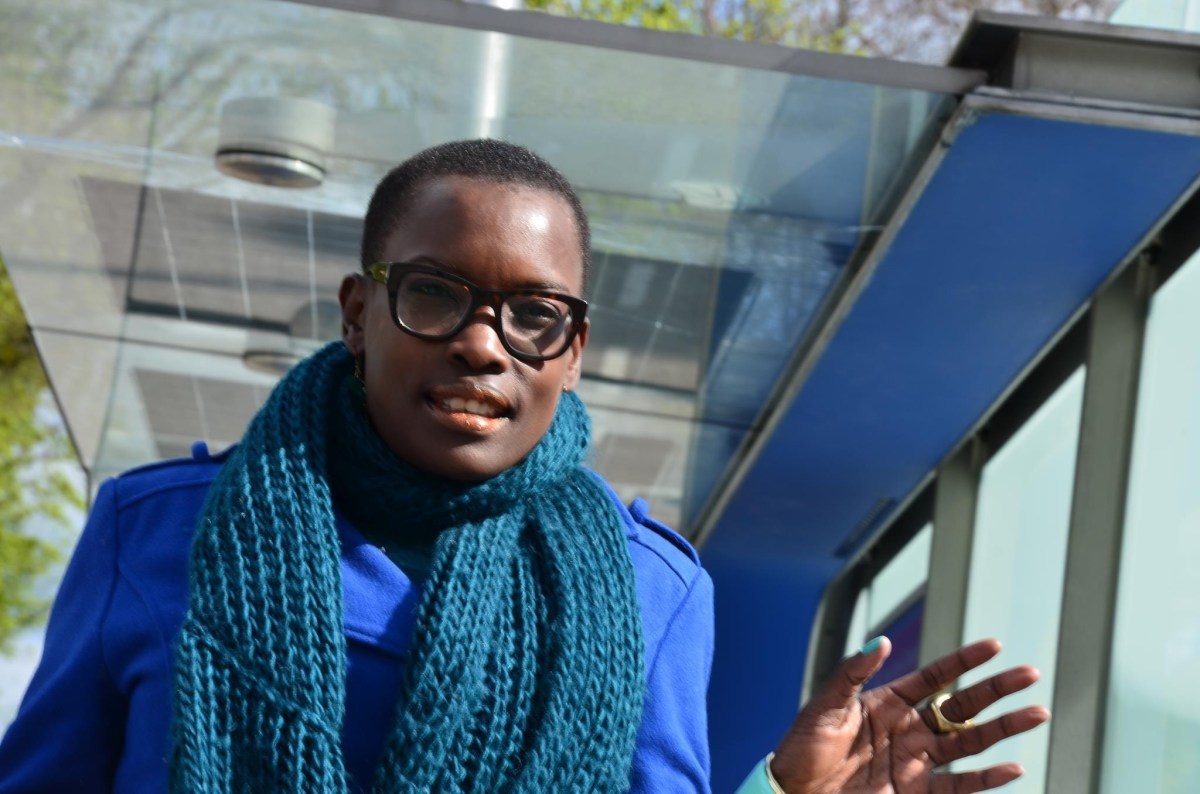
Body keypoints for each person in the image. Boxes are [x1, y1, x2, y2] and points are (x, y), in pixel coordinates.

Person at [0, 139, 1047, 793]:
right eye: (435, 293)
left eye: (533, 315)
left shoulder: (652, 589)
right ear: (359, 314)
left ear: (572, 350)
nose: (482, 345)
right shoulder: (156, 529)